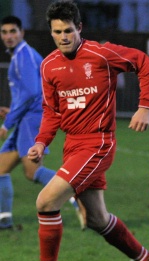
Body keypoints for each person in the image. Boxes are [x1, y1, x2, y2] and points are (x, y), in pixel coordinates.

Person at [9, 0, 149, 261]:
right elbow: (52, 111)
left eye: (68, 30)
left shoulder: (101, 54)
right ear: (51, 32)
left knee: (45, 202)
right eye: (57, 32)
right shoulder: (49, 66)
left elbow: (143, 63)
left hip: (98, 143)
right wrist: (42, 142)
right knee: (97, 219)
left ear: (79, 28)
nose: (63, 37)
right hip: (73, 145)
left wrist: (144, 106)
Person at [0, 15, 84, 231]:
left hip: (32, 120)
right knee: (1, 168)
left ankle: (76, 196)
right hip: (27, 118)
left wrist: (7, 122)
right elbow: (29, 93)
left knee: (33, 171)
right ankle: (4, 220)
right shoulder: (20, 55)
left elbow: (31, 92)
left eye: (13, 31)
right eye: (4, 32)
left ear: (22, 33)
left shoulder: (23, 56)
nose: (9, 36)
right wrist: (14, 113)